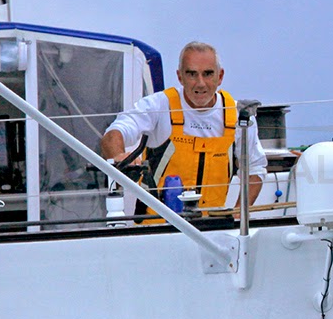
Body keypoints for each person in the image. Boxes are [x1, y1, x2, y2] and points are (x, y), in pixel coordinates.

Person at [100, 42, 265, 214]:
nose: (200, 83)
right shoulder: (159, 105)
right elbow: (114, 133)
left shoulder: (241, 116)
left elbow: (255, 168)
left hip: (214, 229)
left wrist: (239, 213)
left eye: (208, 74)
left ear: (220, 76)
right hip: (156, 230)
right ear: (180, 77)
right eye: (192, 74)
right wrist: (118, 156)